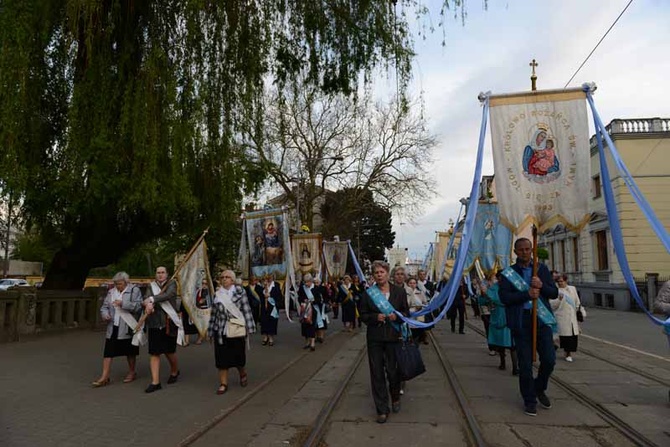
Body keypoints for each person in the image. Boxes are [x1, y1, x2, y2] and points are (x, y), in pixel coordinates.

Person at [499, 238, 558, 416]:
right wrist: (527, 294)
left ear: (531, 250)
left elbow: (553, 293)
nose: (525, 252)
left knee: (549, 360)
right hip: (521, 322)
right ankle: (529, 399)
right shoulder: (508, 273)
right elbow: (505, 298)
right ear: (516, 252)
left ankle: (539, 387)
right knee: (524, 365)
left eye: (527, 249)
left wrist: (542, 286)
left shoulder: (542, 269)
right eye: (521, 250)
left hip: (541, 321)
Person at [359, 260, 409, 424]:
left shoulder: (399, 292)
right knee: (377, 373)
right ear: (373, 276)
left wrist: (398, 316)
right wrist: (375, 317)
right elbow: (363, 315)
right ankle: (381, 409)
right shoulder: (368, 294)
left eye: (381, 272)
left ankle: (395, 397)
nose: (379, 275)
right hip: (375, 338)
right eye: (376, 273)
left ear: (388, 274)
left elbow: (406, 313)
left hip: (394, 338)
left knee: (393, 372)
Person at [207, 270, 255, 395]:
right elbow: (214, 314)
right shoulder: (217, 294)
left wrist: (249, 329)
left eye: (227, 277)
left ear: (232, 280)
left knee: (238, 357)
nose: (224, 279)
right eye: (222, 277)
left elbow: (246, 309)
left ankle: (242, 373)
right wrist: (210, 331)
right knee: (221, 358)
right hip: (220, 330)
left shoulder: (240, 292)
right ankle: (223, 383)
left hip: (236, 330)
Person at [92, 272, 142, 387]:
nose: (118, 286)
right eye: (116, 284)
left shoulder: (134, 290)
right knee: (108, 351)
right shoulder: (111, 292)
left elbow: (138, 307)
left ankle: (132, 372)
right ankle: (104, 376)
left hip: (128, 325)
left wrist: (123, 303)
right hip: (113, 326)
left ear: (126, 282)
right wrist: (105, 314)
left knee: (130, 351)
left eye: (120, 284)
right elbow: (104, 307)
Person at [142, 266, 182, 393]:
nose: (160, 275)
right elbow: (146, 297)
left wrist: (152, 299)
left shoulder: (172, 283)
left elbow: (168, 295)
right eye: (158, 272)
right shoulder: (151, 285)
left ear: (167, 274)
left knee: (169, 351)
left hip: (168, 322)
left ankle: (175, 371)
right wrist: (147, 304)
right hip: (154, 322)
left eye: (162, 272)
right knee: (154, 352)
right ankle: (155, 382)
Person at [480, 272, 518, 374]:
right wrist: (483, 294)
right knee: (501, 343)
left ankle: (515, 367)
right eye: (500, 278)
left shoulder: (512, 287)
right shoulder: (493, 288)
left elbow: (509, 299)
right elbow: (483, 301)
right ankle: (502, 362)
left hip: (510, 316)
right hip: (498, 316)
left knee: (512, 344)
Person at [552, 274, 582, 363]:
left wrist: (578, 310)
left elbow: (577, 301)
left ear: (566, 281)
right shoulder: (555, 291)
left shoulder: (572, 289)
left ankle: (569, 352)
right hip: (562, 317)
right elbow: (552, 305)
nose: (560, 283)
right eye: (558, 282)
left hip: (572, 317)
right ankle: (567, 353)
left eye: (562, 281)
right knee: (565, 336)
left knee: (573, 336)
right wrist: (559, 300)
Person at [298, 274, 321, 351]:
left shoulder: (316, 288)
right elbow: (299, 297)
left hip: (313, 309)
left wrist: (313, 301)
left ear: (311, 281)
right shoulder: (302, 288)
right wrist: (303, 300)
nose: (306, 283)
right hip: (304, 309)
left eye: (308, 282)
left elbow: (319, 299)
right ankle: (307, 342)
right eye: (305, 282)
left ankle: (312, 343)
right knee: (305, 326)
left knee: (311, 325)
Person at [260, 274, 280, 346]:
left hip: (272, 307)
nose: (268, 279)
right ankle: (265, 336)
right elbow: (259, 295)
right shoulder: (262, 285)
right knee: (264, 321)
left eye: (270, 277)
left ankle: (271, 337)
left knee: (272, 321)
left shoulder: (276, 285)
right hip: (264, 307)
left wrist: (270, 296)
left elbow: (279, 296)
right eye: (267, 278)